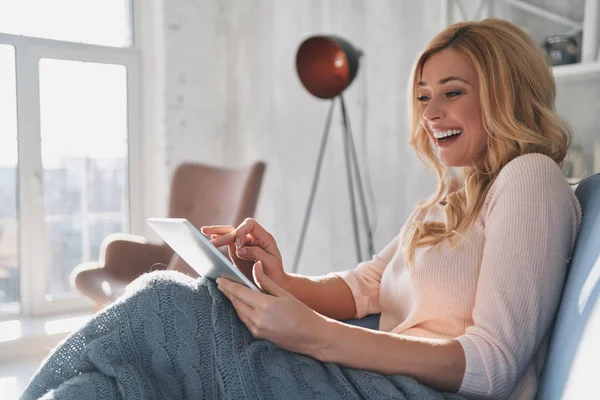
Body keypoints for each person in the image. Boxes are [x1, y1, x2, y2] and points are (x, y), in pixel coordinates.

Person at [24, 18, 581, 400]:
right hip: (367, 375)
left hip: (405, 391)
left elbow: (493, 365)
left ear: (504, 92)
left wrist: (313, 334)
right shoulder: (450, 197)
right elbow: (365, 286)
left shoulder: (529, 178)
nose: (431, 112)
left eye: (452, 91)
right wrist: (277, 278)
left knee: (164, 303)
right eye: (422, 95)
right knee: (122, 375)